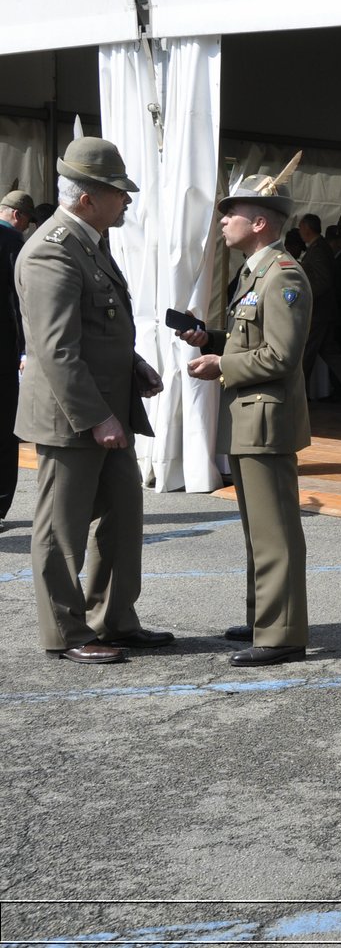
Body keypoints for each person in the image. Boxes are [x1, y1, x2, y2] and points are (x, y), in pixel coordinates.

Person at [16, 138, 168, 663]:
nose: (126, 201)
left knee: (122, 518)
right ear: (86, 197)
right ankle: (66, 632)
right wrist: (98, 416)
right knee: (61, 529)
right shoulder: (52, 249)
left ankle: (114, 620)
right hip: (74, 417)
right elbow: (57, 349)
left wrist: (133, 365)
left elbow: (99, 327)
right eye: (117, 193)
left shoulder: (90, 241)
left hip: (107, 410)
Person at [179, 156, 312, 667]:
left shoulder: (282, 274)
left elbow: (282, 353)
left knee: (274, 529)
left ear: (260, 223)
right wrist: (211, 339)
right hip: (250, 418)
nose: (222, 221)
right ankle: (265, 618)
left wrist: (221, 364)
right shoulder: (253, 273)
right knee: (259, 528)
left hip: (266, 420)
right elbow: (250, 339)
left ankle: (281, 634)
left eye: (230, 214)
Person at [295, 213, 341, 404]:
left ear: (307, 229)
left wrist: (305, 295)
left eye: (301, 228)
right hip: (323, 314)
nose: (300, 232)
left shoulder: (318, 250)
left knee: (306, 357)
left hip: (319, 315)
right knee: (333, 358)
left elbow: (323, 281)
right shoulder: (319, 248)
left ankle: (296, 398)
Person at [0, 190, 30, 529]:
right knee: (4, 434)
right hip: (3, 355)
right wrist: (26, 349)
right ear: (19, 217)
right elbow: (19, 301)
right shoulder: (12, 243)